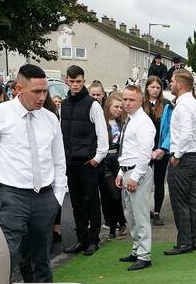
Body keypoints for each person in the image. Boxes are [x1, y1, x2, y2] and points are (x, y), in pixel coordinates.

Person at [0, 63, 68, 282]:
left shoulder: (50, 119)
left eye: (45, 91)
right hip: (11, 195)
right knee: (8, 254)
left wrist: (58, 197)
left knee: (42, 257)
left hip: (45, 196)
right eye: (36, 91)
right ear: (18, 88)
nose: (42, 97)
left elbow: (58, 161)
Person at [59, 65, 109, 255]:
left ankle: (93, 240)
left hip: (88, 162)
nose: (75, 85)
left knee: (91, 202)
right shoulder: (63, 104)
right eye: (71, 82)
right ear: (67, 81)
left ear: (83, 80)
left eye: (78, 81)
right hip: (70, 162)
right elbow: (60, 133)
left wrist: (96, 159)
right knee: (76, 203)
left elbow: (102, 136)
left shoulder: (93, 104)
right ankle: (81, 239)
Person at [115, 82, 154, 271]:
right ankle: (137, 249)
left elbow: (145, 152)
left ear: (140, 100)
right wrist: (121, 172)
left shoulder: (143, 122)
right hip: (128, 170)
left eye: (132, 100)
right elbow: (128, 149)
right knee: (130, 215)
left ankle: (144, 255)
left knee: (140, 216)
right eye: (125, 99)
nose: (127, 103)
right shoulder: (129, 120)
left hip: (138, 172)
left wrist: (135, 176)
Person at [164, 68, 196, 256]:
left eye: (172, 81)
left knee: (180, 202)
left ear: (179, 84)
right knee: (190, 201)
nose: (170, 84)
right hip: (193, 157)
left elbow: (186, 133)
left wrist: (176, 155)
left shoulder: (183, 105)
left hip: (184, 158)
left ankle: (184, 242)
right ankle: (193, 240)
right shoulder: (193, 103)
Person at [98, 89, 127, 239]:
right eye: (116, 106)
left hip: (119, 161)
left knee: (115, 195)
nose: (118, 110)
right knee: (111, 195)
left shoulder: (123, 123)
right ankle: (115, 225)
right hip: (105, 162)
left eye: (121, 107)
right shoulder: (101, 122)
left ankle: (120, 223)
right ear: (108, 105)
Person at [144, 75, 172, 226]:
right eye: (152, 87)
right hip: (144, 149)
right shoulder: (141, 104)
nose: (155, 90)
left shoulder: (167, 105)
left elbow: (170, 129)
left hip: (161, 149)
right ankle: (144, 209)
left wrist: (163, 148)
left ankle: (157, 213)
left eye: (158, 87)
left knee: (159, 180)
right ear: (147, 88)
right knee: (144, 181)